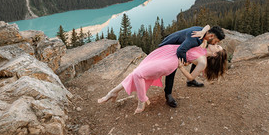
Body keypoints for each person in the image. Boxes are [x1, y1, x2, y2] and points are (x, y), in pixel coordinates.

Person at [97, 42, 227, 114]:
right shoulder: (203, 46)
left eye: (218, 46)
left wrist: (181, 67)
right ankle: (113, 92)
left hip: (172, 61)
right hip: (169, 52)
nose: (216, 44)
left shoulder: (203, 62)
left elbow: (191, 77)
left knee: (138, 74)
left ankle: (141, 101)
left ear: (216, 54)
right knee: (137, 72)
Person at [159, 25, 225, 107]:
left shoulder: (203, 33)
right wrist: (185, 63)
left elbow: (208, 26)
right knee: (173, 67)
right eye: (216, 41)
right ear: (211, 36)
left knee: (198, 55)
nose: (215, 43)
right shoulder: (195, 39)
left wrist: (203, 31)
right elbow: (180, 51)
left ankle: (190, 81)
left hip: (179, 43)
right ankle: (168, 94)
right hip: (170, 45)